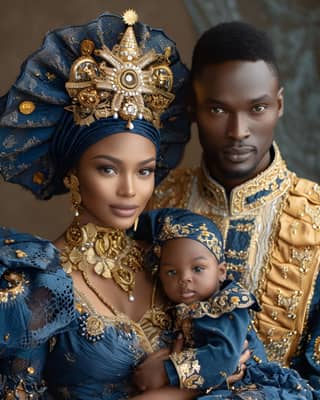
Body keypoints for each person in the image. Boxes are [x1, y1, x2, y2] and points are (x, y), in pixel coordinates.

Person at [0, 9, 198, 400]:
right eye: (108, 170)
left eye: (144, 172)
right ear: (73, 173)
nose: (130, 190)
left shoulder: (171, 259)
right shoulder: (36, 283)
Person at [148, 21, 320, 392]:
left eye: (257, 108)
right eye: (217, 110)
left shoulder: (317, 220)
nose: (238, 130)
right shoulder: (156, 204)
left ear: (280, 105)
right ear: (193, 109)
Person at [132, 207, 315, 399]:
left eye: (198, 268)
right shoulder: (179, 309)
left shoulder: (229, 304)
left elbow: (226, 356)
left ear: (221, 272)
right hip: (212, 386)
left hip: (246, 383)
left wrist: (166, 372)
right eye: (171, 272)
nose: (184, 278)